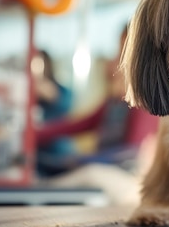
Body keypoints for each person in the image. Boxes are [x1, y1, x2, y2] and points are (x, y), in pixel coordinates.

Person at [35, 25, 159, 176]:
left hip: (120, 175)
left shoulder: (145, 101)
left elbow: (131, 151)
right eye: (119, 52)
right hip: (104, 169)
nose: (117, 60)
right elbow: (80, 124)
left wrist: (82, 161)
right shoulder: (116, 101)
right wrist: (36, 133)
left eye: (123, 53)